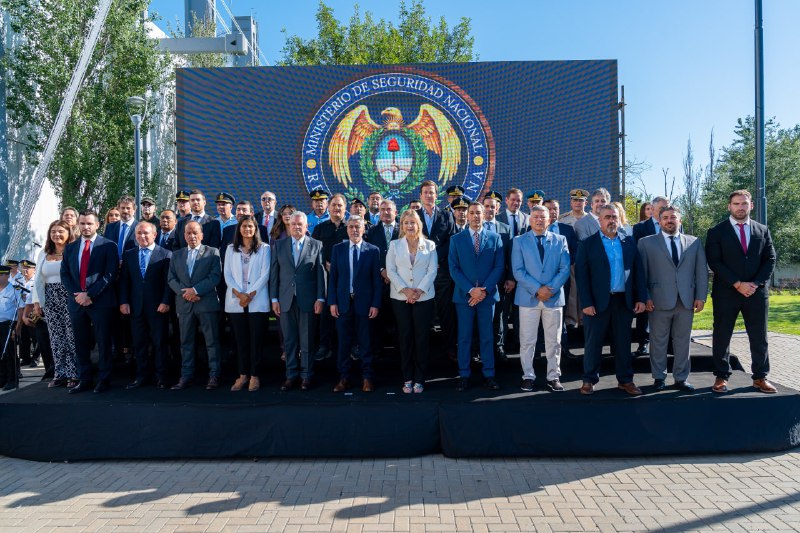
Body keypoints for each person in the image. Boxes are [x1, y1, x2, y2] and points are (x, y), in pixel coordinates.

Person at [705, 189, 777, 394]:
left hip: (756, 292)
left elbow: (770, 259)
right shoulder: (716, 231)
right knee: (722, 335)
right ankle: (721, 376)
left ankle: (761, 377)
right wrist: (737, 283)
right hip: (727, 292)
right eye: (736, 204)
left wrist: (755, 283)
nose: (740, 207)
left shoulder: (762, 230)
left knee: (759, 336)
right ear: (729, 206)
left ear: (751, 205)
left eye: (744, 203)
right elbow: (714, 261)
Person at [575, 204, 647, 396]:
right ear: (599, 220)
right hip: (597, 303)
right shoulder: (588, 243)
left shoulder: (629, 242)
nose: (611, 221)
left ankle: (625, 380)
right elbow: (582, 277)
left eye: (614, 217)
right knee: (593, 343)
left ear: (619, 219)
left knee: (623, 343)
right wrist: (586, 303)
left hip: (623, 301)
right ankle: (589, 380)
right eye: (607, 217)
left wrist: (641, 298)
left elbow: (638, 272)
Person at [638, 205, 708, 391]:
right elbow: (641, 274)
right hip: (658, 301)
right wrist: (645, 297)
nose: (670, 220)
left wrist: (701, 296)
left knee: (683, 341)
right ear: (659, 221)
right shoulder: (646, 243)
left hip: (686, 301)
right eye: (666, 217)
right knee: (658, 341)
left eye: (673, 217)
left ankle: (681, 378)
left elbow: (701, 272)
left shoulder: (694, 242)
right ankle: (659, 377)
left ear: (680, 220)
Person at [512, 205, 570, 392]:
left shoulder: (561, 240)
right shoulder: (519, 241)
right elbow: (518, 271)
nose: (539, 220)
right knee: (528, 341)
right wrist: (538, 289)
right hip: (529, 298)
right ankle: (528, 375)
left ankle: (553, 376)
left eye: (542, 217)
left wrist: (549, 290)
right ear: (530, 220)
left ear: (549, 220)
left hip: (553, 298)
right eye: (535, 216)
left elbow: (565, 269)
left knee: (554, 341)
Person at [61, 210, 119, 393]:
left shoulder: (108, 245)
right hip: (77, 303)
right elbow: (65, 275)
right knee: (81, 342)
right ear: (78, 224)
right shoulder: (70, 248)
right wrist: (77, 295)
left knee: (103, 342)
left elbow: (110, 274)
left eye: (89, 224)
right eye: (83, 223)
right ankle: (84, 378)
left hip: (101, 302)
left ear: (97, 225)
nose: (86, 227)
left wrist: (90, 295)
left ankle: (104, 379)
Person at [449, 201, 505, 391]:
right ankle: (464, 374)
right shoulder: (456, 239)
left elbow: (499, 267)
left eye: (478, 213)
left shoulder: (495, 237)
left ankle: (489, 374)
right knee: (464, 337)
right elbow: (453, 268)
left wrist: (484, 290)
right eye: (471, 212)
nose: (474, 216)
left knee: (487, 337)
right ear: (467, 215)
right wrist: (470, 290)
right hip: (464, 297)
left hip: (487, 297)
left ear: (484, 214)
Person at [269, 212, 325, 391]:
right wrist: (274, 298)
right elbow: (274, 274)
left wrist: (320, 298)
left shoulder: (316, 245)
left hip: (308, 300)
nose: (296, 227)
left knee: (307, 341)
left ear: (307, 226)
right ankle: (291, 375)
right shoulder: (279, 245)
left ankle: (306, 376)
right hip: (285, 300)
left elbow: (320, 273)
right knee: (290, 341)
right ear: (289, 226)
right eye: (293, 224)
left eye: (300, 224)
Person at [328, 216, 382, 392]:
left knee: (365, 342)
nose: (354, 230)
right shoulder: (338, 249)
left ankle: (367, 378)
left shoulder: (373, 250)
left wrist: (375, 304)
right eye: (351, 226)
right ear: (347, 229)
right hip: (343, 304)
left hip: (365, 305)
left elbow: (376, 280)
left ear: (363, 229)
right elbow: (333, 278)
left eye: (357, 227)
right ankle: (344, 378)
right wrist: (333, 301)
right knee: (344, 343)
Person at [167, 221, 223, 390]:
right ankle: (186, 376)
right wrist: (186, 293)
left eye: (195, 233)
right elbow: (171, 279)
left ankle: (214, 375)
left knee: (212, 341)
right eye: (188, 233)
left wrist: (196, 291)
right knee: (186, 342)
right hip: (185, 305)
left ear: (202, 235)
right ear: (184, 236)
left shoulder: (212, 253)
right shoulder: (176, 255)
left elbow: (215, 277)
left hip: (206, 304)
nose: (192, 236)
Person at [386, 210, 437, 393]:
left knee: (422, 338)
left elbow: (432, 271)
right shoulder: (394, 245)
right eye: (406, 223)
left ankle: (420, 379)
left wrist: (419, 291)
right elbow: (391, 270)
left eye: (413, 223)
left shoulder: (430, 246)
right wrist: (406, 291)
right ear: (402, 226)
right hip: (400, 298)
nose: (409, 226)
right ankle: (407, 378)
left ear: (419, 225)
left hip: (423, 298)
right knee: (405, 338)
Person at [119, 222, 174, 389]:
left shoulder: (165, 254)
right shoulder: (129, 255)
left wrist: (166, 301)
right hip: (135, 307)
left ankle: (162, 376)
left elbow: (168, 283)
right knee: (139, 343)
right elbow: (124, 281)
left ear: (154, 235)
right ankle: (141, 376)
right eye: (139, 233)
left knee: (159, 342)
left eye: (146, 233)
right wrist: (124, 301)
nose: (142, 236)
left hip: (158, 307)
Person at [224, 216, 271, 392]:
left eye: (250, 226)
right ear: (239, 229)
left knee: (256, 341)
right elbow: (227, 274)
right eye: (244, 226)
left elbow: (265, 274)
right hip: (236, 301)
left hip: (257, 300)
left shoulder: (264, 249)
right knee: (241, 341)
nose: (247, 229)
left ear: (256, 228)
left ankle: (254, 375)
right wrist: (239, 294)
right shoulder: (230, 249)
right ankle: (242, 375)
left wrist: (249, 295)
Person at [31, 220, 78, 388]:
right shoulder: (43, 253)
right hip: (49, 298)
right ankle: (60, 373)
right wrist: (37, 302)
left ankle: (74, 373)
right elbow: (38, 279)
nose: (56, 234)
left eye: (60, 231)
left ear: (68, 233)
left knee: (71, 336)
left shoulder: (73, 251)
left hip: (70, 297)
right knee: (56, 338)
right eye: (53, 232)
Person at [416, 180, 456, 359]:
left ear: (436, 195)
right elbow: (409, 240)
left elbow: (451, 240)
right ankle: (423, 351)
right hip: (419, 272)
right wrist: (427, 261)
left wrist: (436, 258)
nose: (429, 195)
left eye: (432, 192)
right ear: (420, 195)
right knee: (422, 313)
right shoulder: (414, 215)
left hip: (442, 272)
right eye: (425, 192)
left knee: (446, 313)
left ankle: (450, 348)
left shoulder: (447, 216)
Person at [311, 193, 348, 361]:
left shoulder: (350, 227)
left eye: (340, 205)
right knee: (326, 312)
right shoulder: (320, 228)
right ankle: (324, 346)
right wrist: (324, 263)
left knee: (347, 312)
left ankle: (349, 345)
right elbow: (313, 251)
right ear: (329, 207)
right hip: (325, 276)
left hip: (347, 276)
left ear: (345, 208)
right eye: (334, 205)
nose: (336, 208)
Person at [631, 195, 670, 357]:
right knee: (645, 312)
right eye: (662, 208)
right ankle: (643, 343)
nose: (665, 211)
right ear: (652, 209)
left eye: (667, 207)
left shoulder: (673, 224)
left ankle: (668, 343)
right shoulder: (640, 228)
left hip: (668, 276)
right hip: (647, 274)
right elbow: (637, 254)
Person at [543, 199, 578, 357]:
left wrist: (561, 268)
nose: (553, 212)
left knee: (561, 315)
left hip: (563, 279)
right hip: (541, 281)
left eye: (555, 209)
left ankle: (563, 348)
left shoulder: (568, 229)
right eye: (549, 209)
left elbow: (575, 252)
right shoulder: (533, 229)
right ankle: (539, 350)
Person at [365, 199, 400, 357]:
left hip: (400, 281)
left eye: (389, 209)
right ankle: (377, 350)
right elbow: (369, 254)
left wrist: (392, 273)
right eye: (383, 209)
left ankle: (399, 349)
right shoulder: (371, 231)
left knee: (399, 318)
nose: (386, 212)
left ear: (396, 212)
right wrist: (382, 270)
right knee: (377, 318)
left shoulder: (403, 230)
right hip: (378, 281)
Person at [482, 191, 513, 361]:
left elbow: (509, 256)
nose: (489, 210)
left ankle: (499, 346)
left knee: (500, 315)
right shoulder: (475, 227)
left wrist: (510, 277)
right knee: (481, 317)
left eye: (492, 207)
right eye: (486, 206)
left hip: (500, 280)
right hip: (479, 281)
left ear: (498, 208)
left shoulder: (505, 229)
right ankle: (480, 348)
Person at [0, 265, 18, 391]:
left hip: (8, 324)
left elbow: (21, 308)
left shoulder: (14, 290)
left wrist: (17, 327)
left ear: (6, 275)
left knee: (9, 353)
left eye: (1, 275)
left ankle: (12, 379)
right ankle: (2, 379)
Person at [104, 195, 137, 260]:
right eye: (122, 208)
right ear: (118, 209)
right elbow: (106, 248)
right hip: (113, 267)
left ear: (134, 210)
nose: (125, 211)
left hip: (131, 267)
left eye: (128, 208)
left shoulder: (140, 228)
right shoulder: (110, 227)